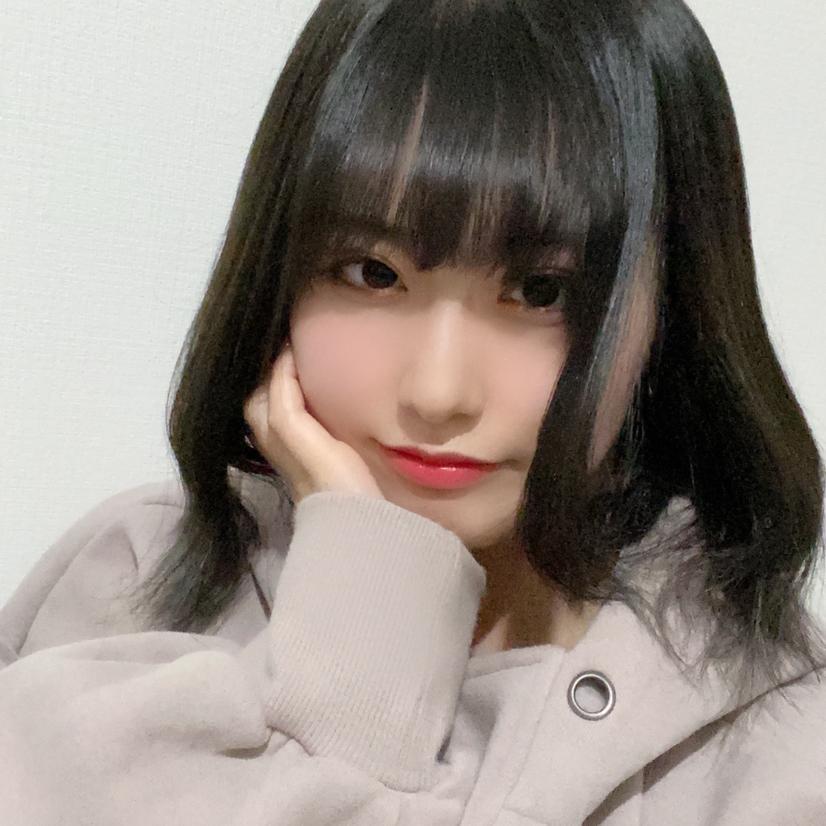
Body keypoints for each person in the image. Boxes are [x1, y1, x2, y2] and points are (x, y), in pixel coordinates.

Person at [2, 0, 825, 822]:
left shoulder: (779, 740)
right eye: (373, 273)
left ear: (676, 309)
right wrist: (370, 595)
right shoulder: (136, 577)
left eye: (542, 291)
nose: (437, 393)